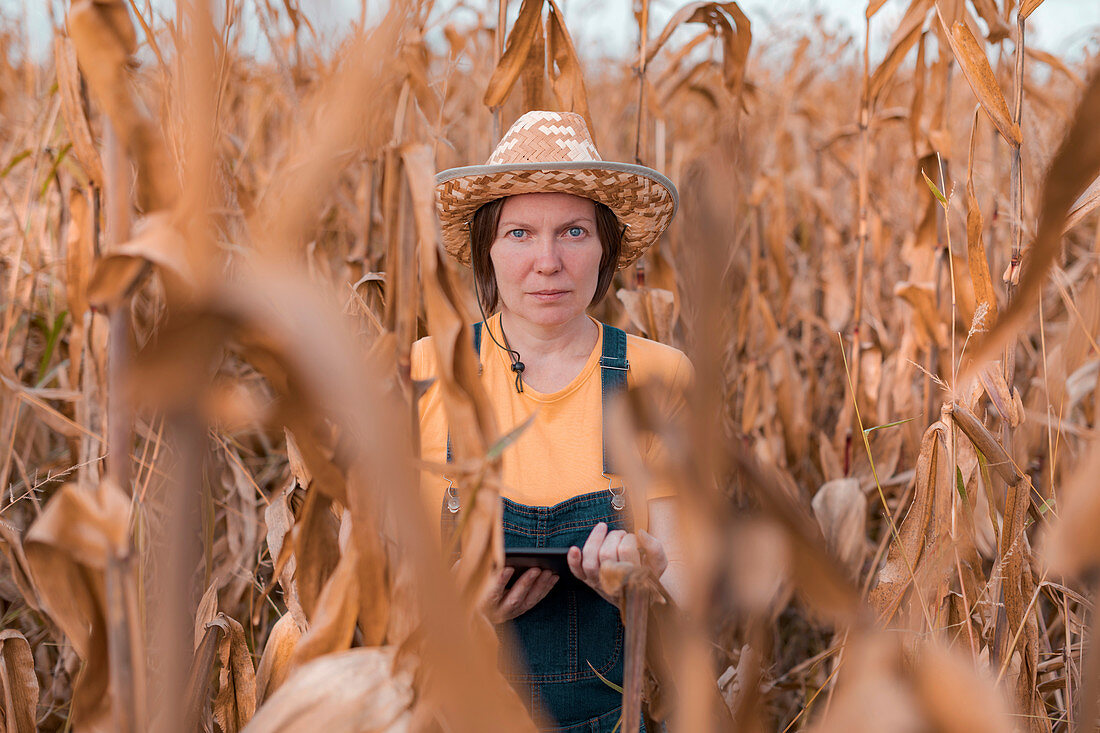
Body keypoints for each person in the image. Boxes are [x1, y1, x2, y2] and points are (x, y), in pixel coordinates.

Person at [412, 110, 691, 732]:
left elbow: (697, 598)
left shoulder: (658, 377)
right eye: (518, 234)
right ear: (487, 246)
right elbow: (374, 597)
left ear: (605, 247)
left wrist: (639, 588)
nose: (547, 261)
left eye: (572, 231)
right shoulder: (430, 371)